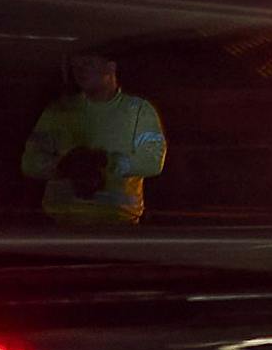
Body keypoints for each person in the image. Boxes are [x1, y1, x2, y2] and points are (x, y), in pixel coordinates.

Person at [21, 48, 165, 225]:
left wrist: (106, 161)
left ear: (111, 67)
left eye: (88, 64)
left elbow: (152, 162)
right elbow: (29, 162)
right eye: (76, 66)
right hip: (61, 224)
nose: (80, 71)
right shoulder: (58, 110)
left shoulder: (138, 111)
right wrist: (64, 166)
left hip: (117, 223)